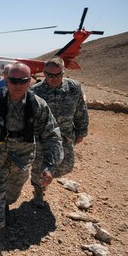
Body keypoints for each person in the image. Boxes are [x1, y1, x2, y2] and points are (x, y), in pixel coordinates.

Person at [0, 63, 63, 256]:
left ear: (29, 81)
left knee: (12, 194)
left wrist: (50, 166)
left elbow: (52, 136)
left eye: (22, 81)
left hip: (22, 160)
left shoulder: (38, 105)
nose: (17, 85)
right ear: (6, 81)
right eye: (12, 80)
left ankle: (7, 204)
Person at [30, 57, 89, 207]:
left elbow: (81, 111)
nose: (53, 78)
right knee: (39, 168)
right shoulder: (35, 91)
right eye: (49, 75)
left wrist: (81, 131)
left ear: (63, 72)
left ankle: (45, 180)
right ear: (44, 73)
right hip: (42, 138)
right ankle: (38, 190)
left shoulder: (74, 87)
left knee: (65, 166)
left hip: (65, 136)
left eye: (57, 75)